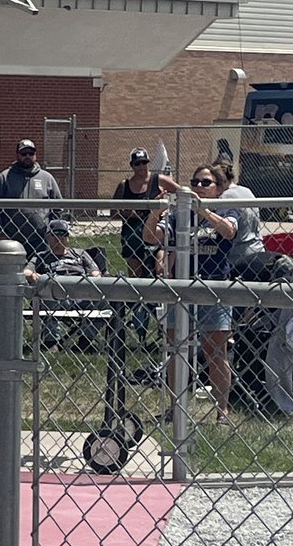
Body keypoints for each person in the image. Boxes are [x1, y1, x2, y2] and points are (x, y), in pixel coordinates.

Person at [144, 162, 239, 425]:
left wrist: (202, 210)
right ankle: (176, 409)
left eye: (205, 183)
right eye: (195, 182)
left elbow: (229, 231)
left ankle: (222, 411)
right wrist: (155, 213)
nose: (199, 187)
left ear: (218, 188)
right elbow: (151, 237)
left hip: (214, 289)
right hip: (181, 290)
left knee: (215, 352)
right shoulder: (179, 214)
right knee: (176, 350)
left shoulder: (227, 209)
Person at [22, 219, 102, 348]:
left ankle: (86, 340)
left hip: (81, 295)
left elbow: (96, 273)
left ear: (68, 237)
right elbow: (26, 272)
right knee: (46, 296)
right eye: (55, 235)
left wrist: (91, 278)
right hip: (55, 295)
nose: (59, 238)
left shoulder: (80, 253)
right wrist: (33, 275)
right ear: (48, 237)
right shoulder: (42, 256)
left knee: (105, 302)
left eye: (63, 234)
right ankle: (51, 341)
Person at [112, 148, 180, 279]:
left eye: (144, 162)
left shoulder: (159, 180)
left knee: (161, 271)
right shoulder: (124, 185)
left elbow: (182, 193)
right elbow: (113, 213)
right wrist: (130, 214)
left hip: (156, 232)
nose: (141, 166)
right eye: (137, 163)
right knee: (135, 275)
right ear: (132, 165)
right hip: (132, 234)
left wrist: (167, 205)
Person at [0, 139, 62, 259]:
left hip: (41, 240)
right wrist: (1, 233)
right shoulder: (4, 177)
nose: (27, 156)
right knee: (13, 270)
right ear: (17, 155)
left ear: (35, 155)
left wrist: (52, 233)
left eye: (31, 153)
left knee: (40, 270)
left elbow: (58, 208)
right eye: (24, 153)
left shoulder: (47, 178)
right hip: (12, 239)